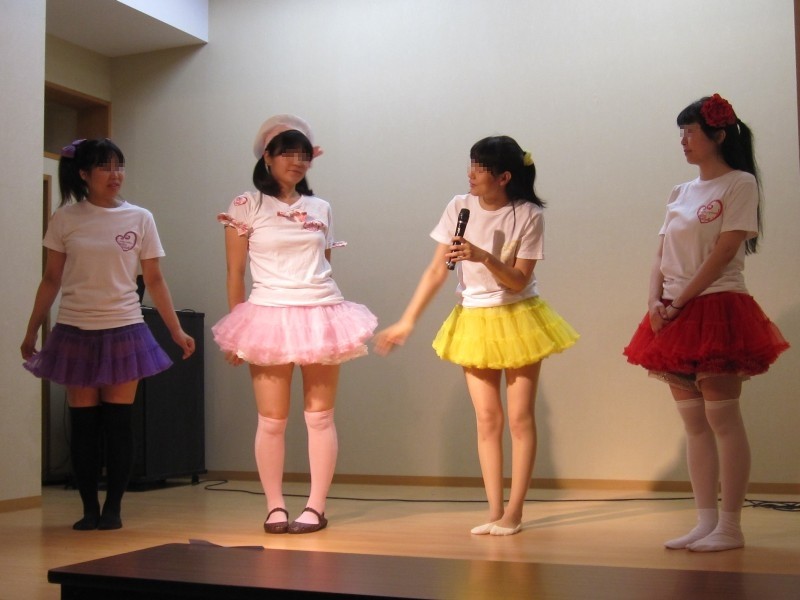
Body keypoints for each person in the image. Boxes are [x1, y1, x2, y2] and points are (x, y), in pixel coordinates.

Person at [374, 135, 579, 536]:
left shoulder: (528, 214)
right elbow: (437, 270)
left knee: (519, 417)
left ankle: (514, 513)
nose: (471, 173)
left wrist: (483, 255)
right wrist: (406, 321)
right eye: (471, 163)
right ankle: (494, 510)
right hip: (474, 317)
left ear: (504, 176)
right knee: (487, 418)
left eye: (481, 167)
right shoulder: (459, 206)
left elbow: (519, 281)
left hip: (518, 316)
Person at [623, 94, 789, 552]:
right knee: (694, 423)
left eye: (690, 132)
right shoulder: (680, 191)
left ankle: (730, 527)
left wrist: (678, 302)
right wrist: (654, 300)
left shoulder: (740, 184)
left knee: (722, 419)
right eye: (681, 133)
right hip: (673, 310)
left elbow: (724, 252)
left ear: (717, 135)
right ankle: (705, 521)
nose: (684, 141)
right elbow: (660, 252)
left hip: (717, 307)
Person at [212, 114, 377, 535]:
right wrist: (237, 331)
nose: (297, 162)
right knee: (272, 420)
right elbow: (235, 273)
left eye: (304, 154)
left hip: (321, 312)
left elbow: (325, 261)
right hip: (267, 314)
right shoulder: (246, 205)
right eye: (287, 153)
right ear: (267, 157)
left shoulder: (321, 207)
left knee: (320, 417)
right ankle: (274, 507)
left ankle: (316, 507)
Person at [21, 138, 195, 531]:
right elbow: (51, 279)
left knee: (118, 423)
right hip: (74, 330)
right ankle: (88, 509)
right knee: (84, 425)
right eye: (104, 167)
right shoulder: (65, 218)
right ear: (84, 173)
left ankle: (113, 508)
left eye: (119, 166)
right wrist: (32, 329)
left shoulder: (140, 218)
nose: (115, 175)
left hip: (125, 330)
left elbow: (155, 279)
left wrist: (176, 330)